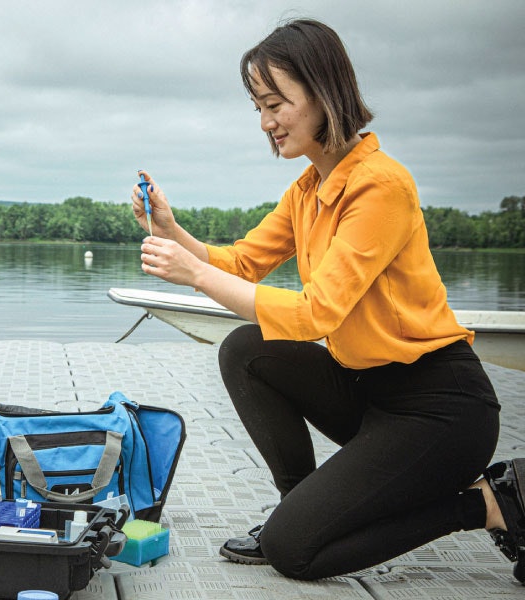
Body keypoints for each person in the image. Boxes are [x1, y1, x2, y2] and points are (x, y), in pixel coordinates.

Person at [130, 18, 524, 583]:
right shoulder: (309, 187)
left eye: (276, 104)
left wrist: (193, 274)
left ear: (322, 93)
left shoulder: (380, 186)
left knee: (296, 554)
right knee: (247, 348)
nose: (266, 123)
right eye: (258, 108)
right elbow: (243, 263)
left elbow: (317, 313)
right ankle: (297, 507)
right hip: (369, 394)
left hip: (440, 412)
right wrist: (173, 232)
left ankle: (487, 503)